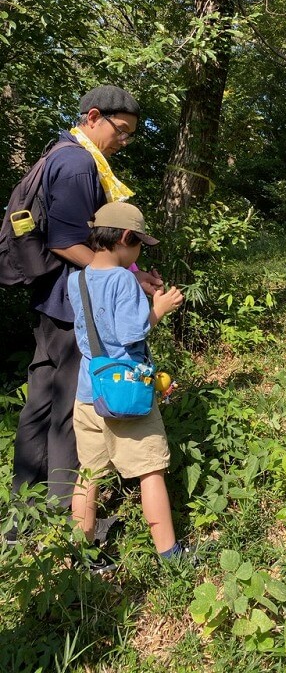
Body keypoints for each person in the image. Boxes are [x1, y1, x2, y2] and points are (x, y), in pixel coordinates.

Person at [8, 85, 162, 532]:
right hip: (72, 303)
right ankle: (66, 512)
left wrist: (132, 273)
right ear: (93, 117)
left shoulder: (61, 154)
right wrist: (129, 277)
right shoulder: (78, 164)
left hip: (55, 298)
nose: (124, 141)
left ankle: (24, 510)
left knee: (42, 398)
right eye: (122, 131)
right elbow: (68, 243)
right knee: (71, 403)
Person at [67, 202, 185, 570]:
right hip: (125, 394)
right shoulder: (121, 279)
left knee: (88, 475)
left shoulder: (78, 277)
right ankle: (170, 555)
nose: (137, 255)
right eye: (138, 245)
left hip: (88, 392)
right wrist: (160, 307)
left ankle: (83, 555)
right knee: (150, 471)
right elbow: (131, 332)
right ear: (124, 238)